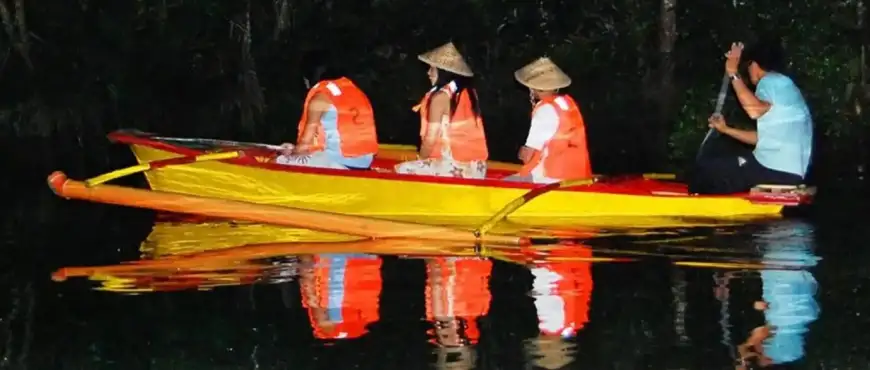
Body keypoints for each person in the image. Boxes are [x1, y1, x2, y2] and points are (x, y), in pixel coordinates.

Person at [689, 40, 813, 194]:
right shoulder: (787, 88)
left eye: (748, 67)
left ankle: (696, 207)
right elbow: (763, 138)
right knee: (727, 166)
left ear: (754, 65)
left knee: (707, 168)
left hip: (771, 167)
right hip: (791, 173)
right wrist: (725, 129)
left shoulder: (769, 81)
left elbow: (754, 111)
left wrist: (733, 73)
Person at [394, 42, 489, 179]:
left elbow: (430, 139)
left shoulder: (440, 98)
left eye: (432, 69)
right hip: (478, 168)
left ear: (443, 71)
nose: (428, 73)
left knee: (402, 170)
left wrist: (421, 159)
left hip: (457, 168)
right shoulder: (469, 93)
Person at [276, 50, 379, 170]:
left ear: (307, 78)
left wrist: (290, 152)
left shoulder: (320, 99)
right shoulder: (356, 92)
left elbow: (304, 146)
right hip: (364, 162)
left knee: (279, 161)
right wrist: (294, 148)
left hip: (337, 162)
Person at [502, 57, 592, 184]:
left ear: (533, 88)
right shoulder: (567, 103)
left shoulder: (544, 110)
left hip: (549, 178)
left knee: (501, 186)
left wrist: (522, 153)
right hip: (577, 177)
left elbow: (529, 155)